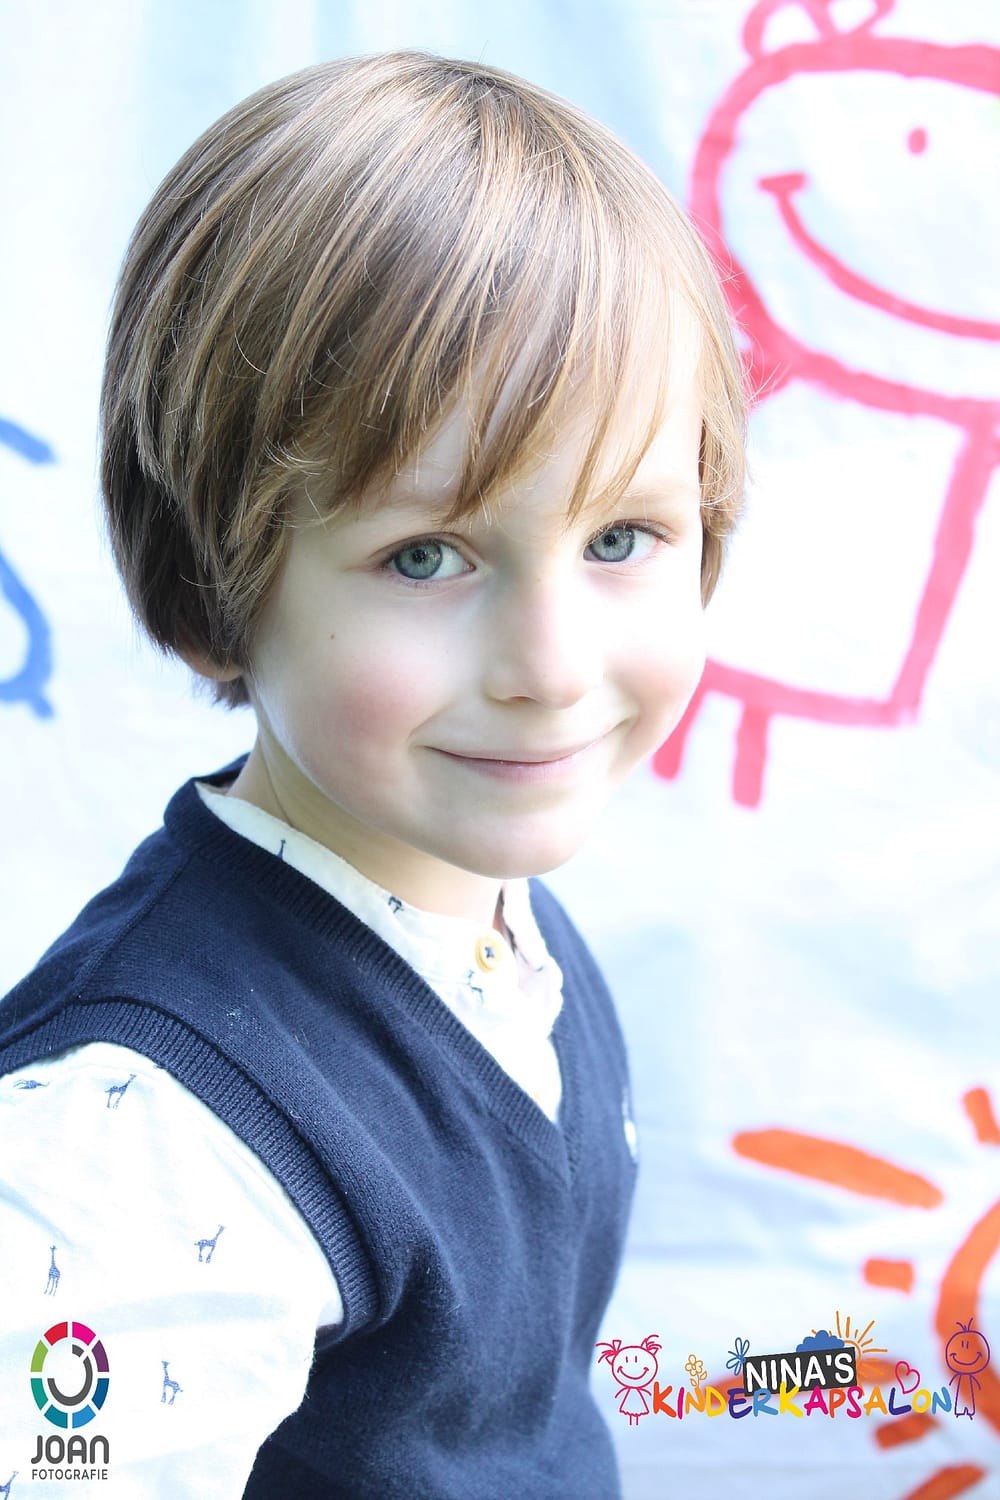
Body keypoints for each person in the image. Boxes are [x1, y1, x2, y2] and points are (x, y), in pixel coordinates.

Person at [0, 50, 745, 1497]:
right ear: (215, 587)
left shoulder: (488, 913)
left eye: (621, 538)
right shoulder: (141, 1153)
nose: (550, 665)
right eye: (426, 556)